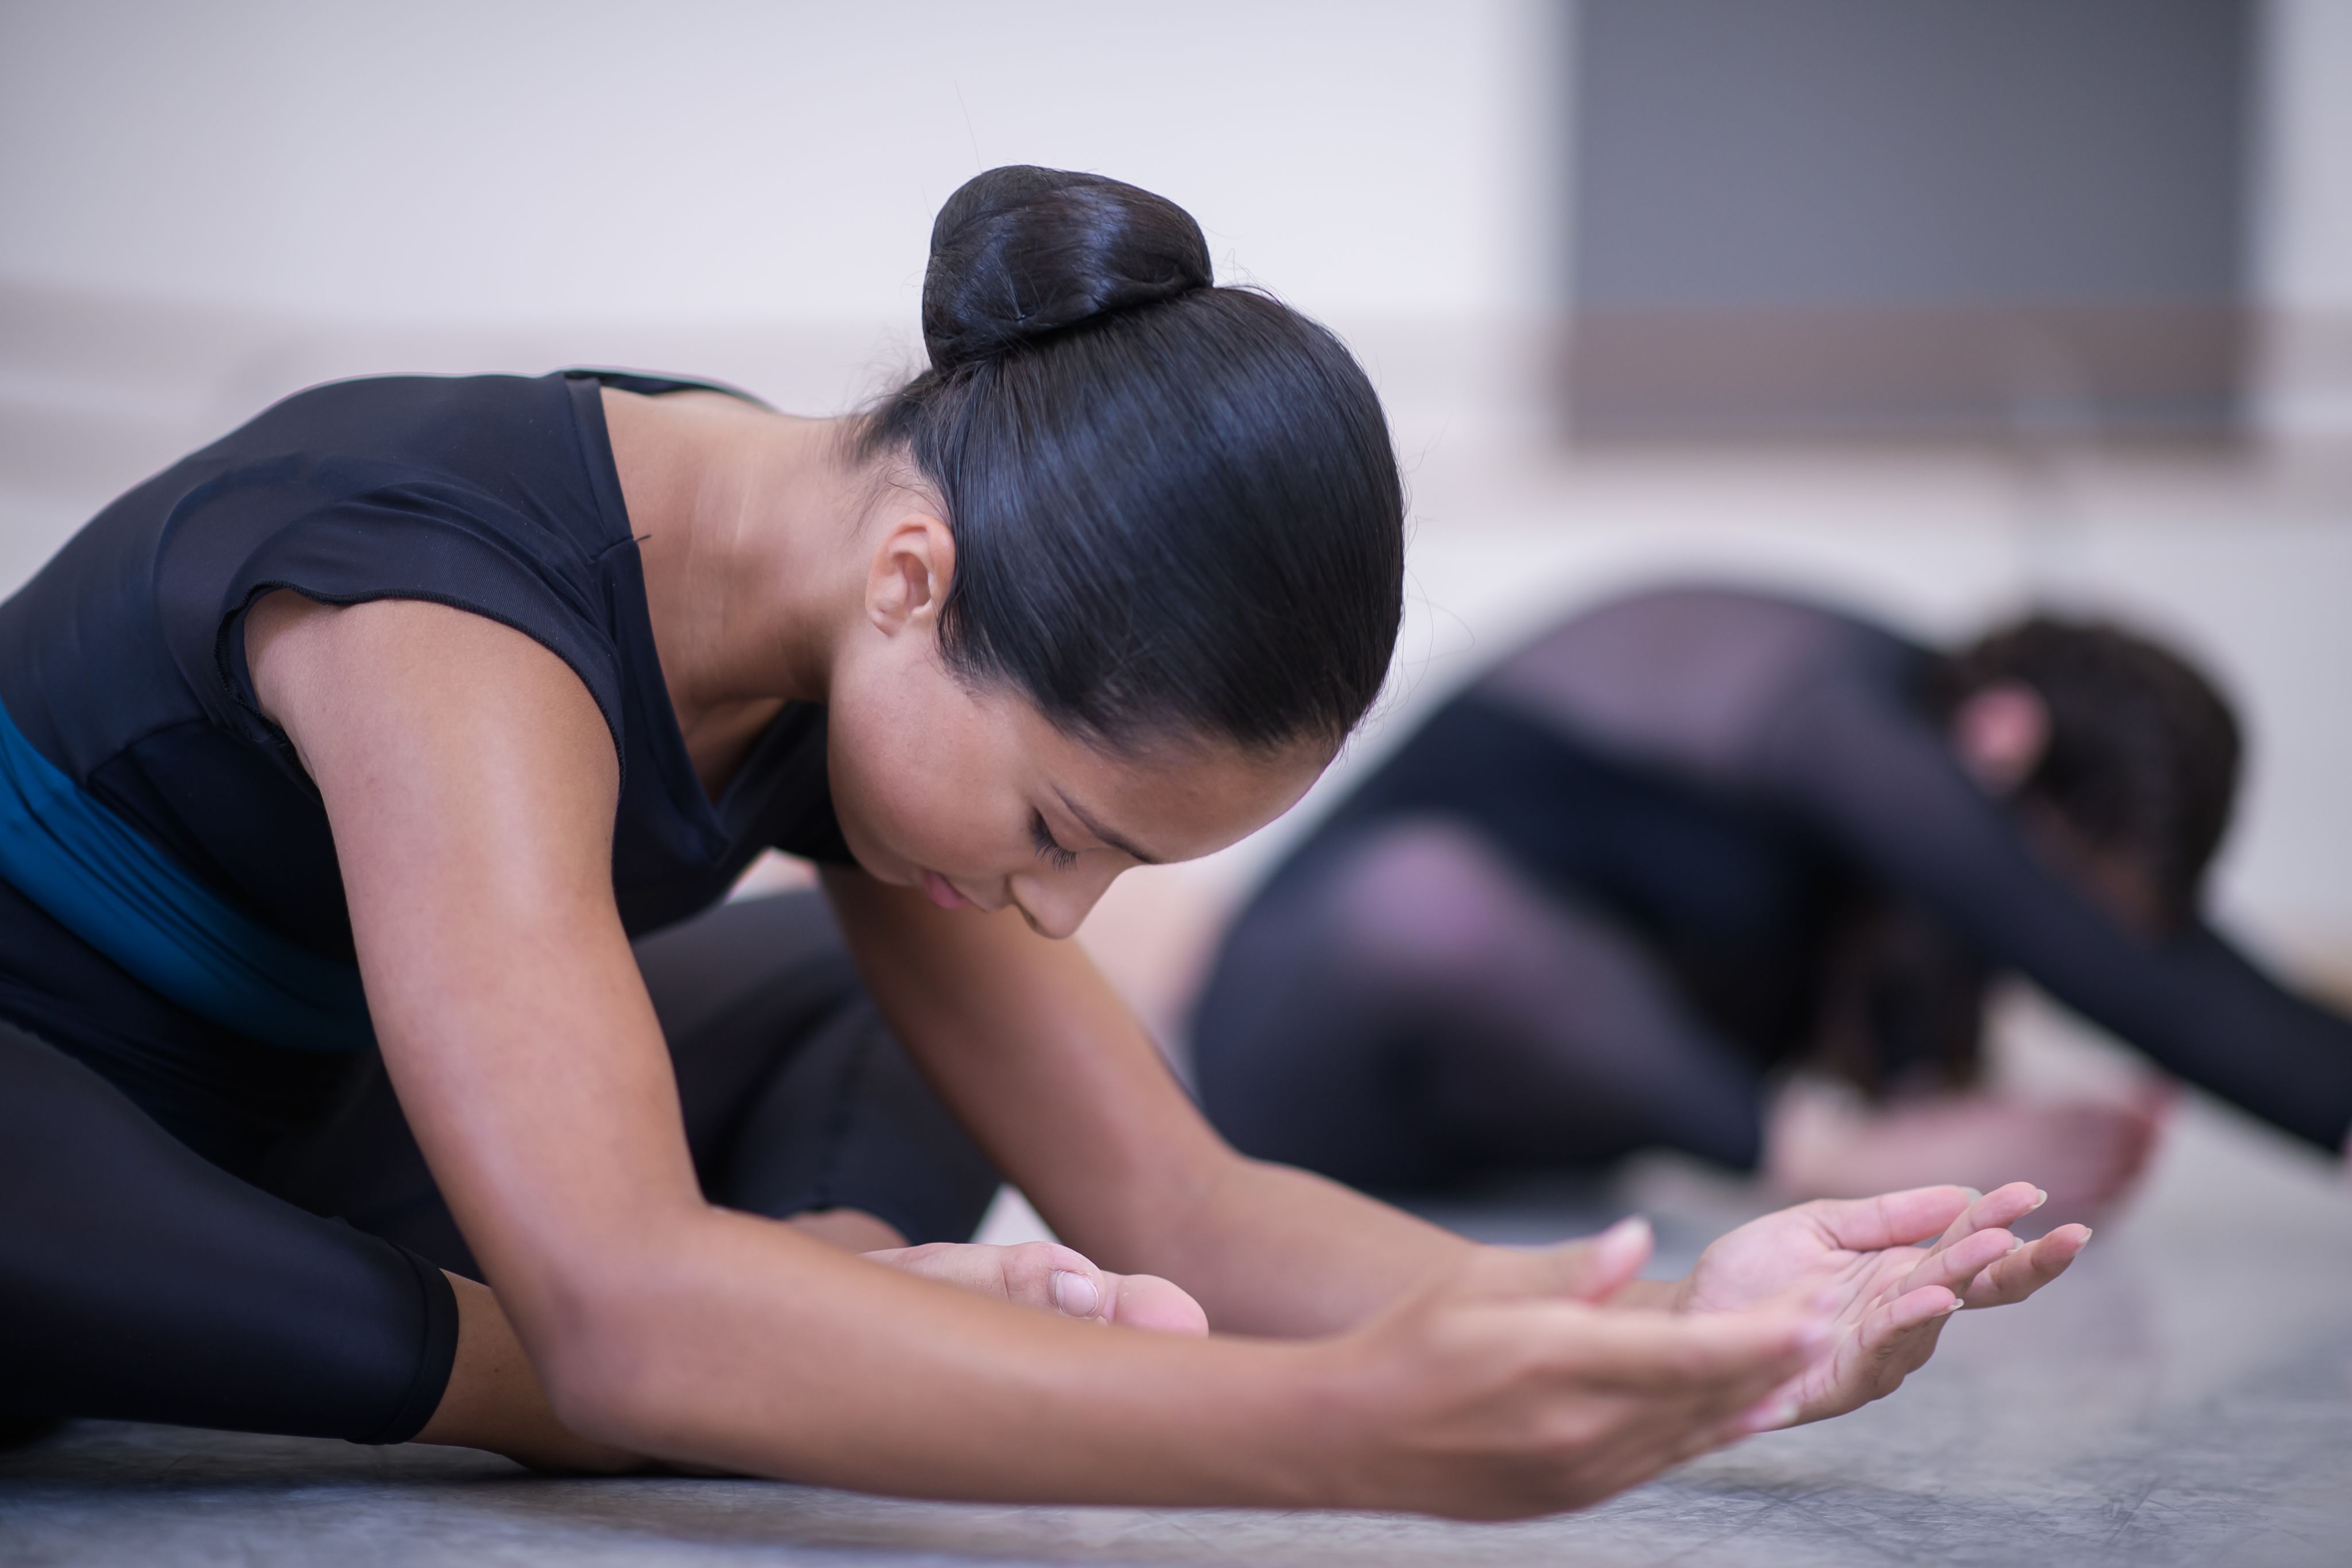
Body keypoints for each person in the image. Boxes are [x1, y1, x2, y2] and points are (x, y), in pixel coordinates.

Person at [0, 169, 2082, 1519]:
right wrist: (1334, 1438)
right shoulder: (449, 605)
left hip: (309, 1114)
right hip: (57, 1117)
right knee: (567, 1332)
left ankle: (761, 1332)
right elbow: (629, 1296)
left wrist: (1680, 1336)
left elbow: (1176, 1193)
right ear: (919, 578)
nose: (1057, 904)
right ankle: (600, 1368)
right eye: (1063, 826)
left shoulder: (839, 588)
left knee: (864, 1007)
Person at [1191, 585, 2352, 1218]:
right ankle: (1803, 1151)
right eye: (2047, 884)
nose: (2033, 931)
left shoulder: (1897, 864)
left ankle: (1810, 1150)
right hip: (1308, 1058)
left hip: (1522, 1158)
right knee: (1428, 903)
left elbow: (2132, 942)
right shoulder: (1830, 704)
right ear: (2001, 739)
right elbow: (2110, 955)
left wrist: (1944, 1119)